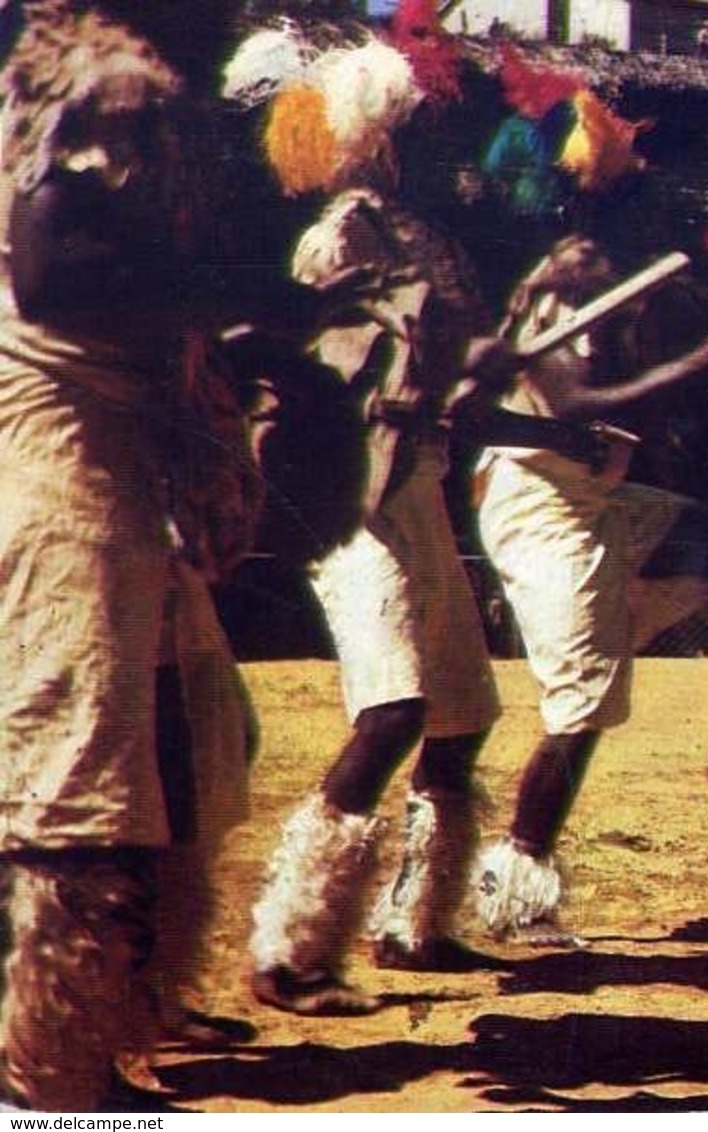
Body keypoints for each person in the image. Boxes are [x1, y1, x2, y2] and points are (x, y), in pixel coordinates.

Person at [0, 0, 288, 1108]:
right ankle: (48, 1075)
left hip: (116, 467)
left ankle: (105, 1036)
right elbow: (48, 268)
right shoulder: (105, 82)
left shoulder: (123, 92)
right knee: (77, 787)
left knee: (180, 755)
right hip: (59, 467)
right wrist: (236, 296)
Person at [469, 235, 708, 942]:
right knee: (584, 701)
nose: (603, 257)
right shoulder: (555, 310)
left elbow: (701, 401)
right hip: (539, 504)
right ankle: (522, 881)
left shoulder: (625, 313)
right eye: (590, 248)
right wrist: (691, 363)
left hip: (606, 499)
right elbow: (575, 401)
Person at [246, 34, 513, 1015]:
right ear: (378, 140)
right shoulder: (343, 234)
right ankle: (290, 953)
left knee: (462, 715)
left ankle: (417, 923)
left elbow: (462, 375)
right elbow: (308, 371)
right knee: (395, 709)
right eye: (417, 129)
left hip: (423, 487)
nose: (435, 147)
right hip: (361, 494)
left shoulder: (426, 238)